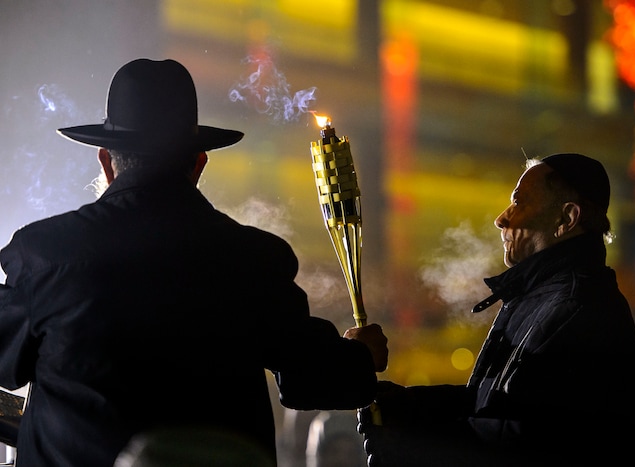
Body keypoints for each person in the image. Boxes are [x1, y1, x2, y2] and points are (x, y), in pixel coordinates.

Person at [0, 58, 388, 467]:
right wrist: (362, 357)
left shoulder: (43, 252)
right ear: (199, 163)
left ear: (106, 162)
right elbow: (314, 380)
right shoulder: (255, 260)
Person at [358, 153, 635, 466]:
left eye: (520, 202)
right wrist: (405, 405)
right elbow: (491, 403)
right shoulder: (542, 298)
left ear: (566, 219)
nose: (502, 219)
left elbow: (523, 446)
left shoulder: (575, 311)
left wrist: (411, 449)